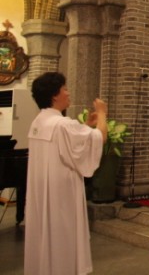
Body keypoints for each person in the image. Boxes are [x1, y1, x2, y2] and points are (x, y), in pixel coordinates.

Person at [25, 72, 108, 275]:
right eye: (65, 89)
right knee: (63, 236)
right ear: (55, 95)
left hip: (44, 193)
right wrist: (102, 113)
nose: (69, 93)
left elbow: (68, 145)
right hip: (62, 196)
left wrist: (86, 126)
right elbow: (100, 138)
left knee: (45, 235)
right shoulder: (62, 124)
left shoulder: (38, 122)